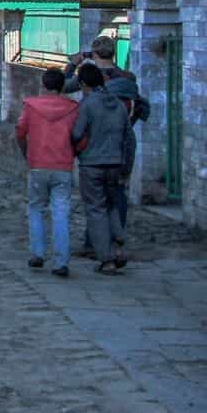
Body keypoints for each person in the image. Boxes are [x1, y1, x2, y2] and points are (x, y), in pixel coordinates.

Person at [66, 33, 147, 252]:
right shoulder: (127, 79)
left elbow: (62, 86)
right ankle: (115, 237)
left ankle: (94, 243)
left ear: (93, 53)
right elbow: (138, 107)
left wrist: (72, 64)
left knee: (95, 201)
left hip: (94, 143)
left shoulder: (89, 79)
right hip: (120, 140)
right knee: (116, 193)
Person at [71, 63, 135, 275]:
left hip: (92, 163)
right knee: (111, 205)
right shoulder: (118, 104)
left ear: (83, 84)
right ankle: (119, 244)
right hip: (115, 163)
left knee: (96, 209)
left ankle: (106, 259)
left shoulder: (88, 105)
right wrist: (126, 165)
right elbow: (128, 137)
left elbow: (77, 133)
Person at [15, 68, 79, 277]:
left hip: (38, 164)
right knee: (60, 213)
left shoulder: (31, 106)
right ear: (62, 87)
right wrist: (74, 152)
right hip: (63, 165)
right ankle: (61, 261)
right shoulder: (72, 108)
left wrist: (28, 153)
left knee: (35, 209)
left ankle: (37, 253)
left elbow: (20, 131)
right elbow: (80, 135)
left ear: (43, 85)